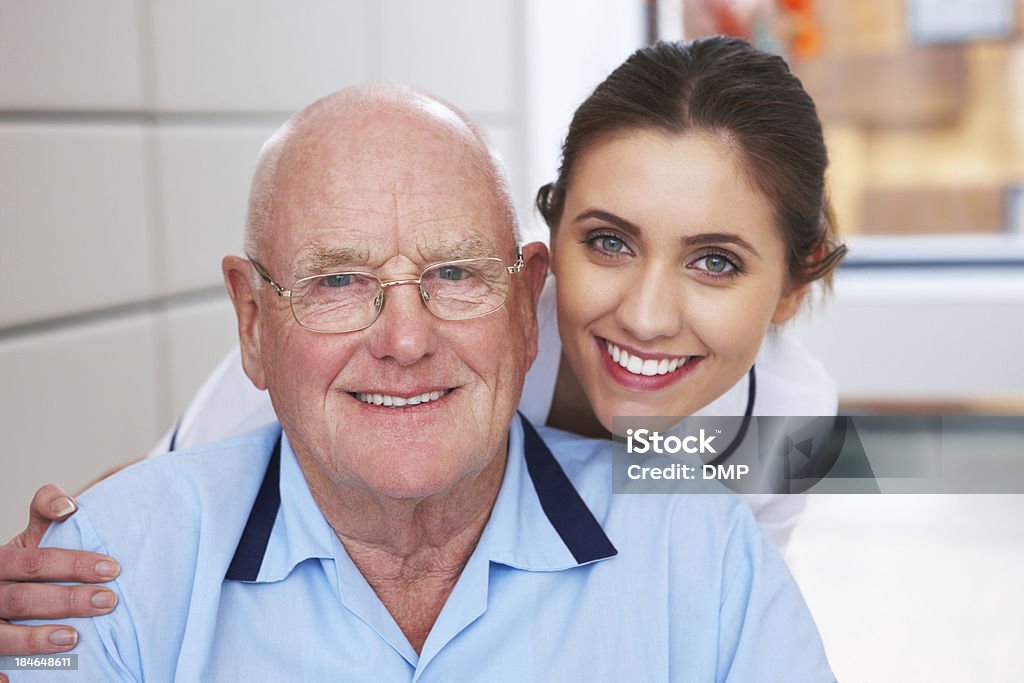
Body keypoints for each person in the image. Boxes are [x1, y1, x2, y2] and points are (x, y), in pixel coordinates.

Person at [1, 36, 844, 664]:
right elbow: (167, 504)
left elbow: (711, 617)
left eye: (715, 261)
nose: (649, 316)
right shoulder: (452, 324)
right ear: (543, 260)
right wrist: (53, 568)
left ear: (794, 286)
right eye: (610, 242)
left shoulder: (783, 429)